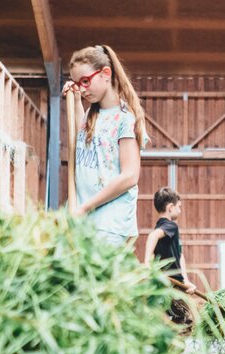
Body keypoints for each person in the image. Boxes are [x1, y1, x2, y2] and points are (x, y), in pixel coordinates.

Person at [62, 44, 148, 246]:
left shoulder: (125, 119)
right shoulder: (92, 115)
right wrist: (75, 100)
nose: (82, 89)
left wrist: (85, 207)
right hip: (83, 220)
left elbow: (130, 176)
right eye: (77, 83)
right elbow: (80, 142)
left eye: (85, 81)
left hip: (108, 224)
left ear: (106, 74)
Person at [144, 187, 197, 294]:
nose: (180, 210)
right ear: (171, 207)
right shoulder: (171, 226)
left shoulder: (161, 227)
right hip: (172, 283)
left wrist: (185, 281)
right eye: (179, 206)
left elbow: (180, 255)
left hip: (167, 282)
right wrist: (147, 262)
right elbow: (152, 236)